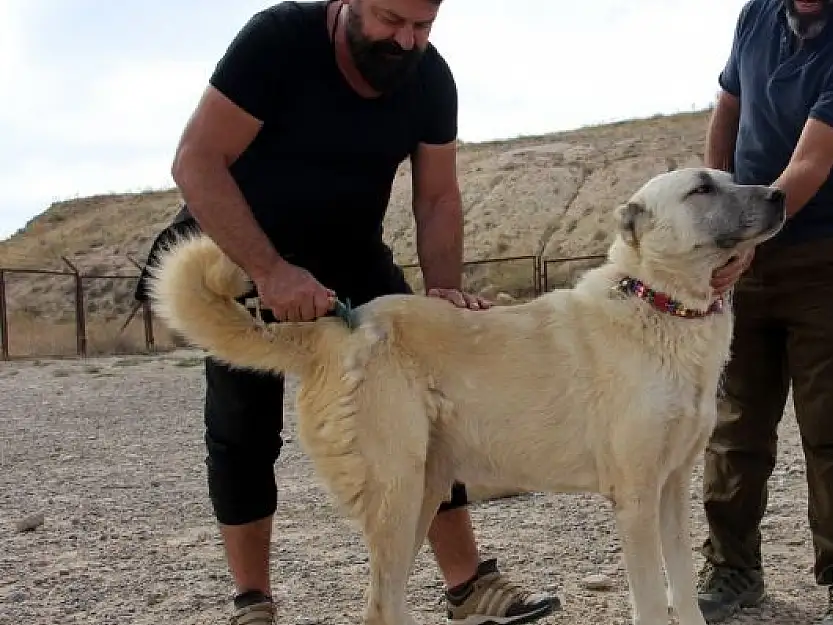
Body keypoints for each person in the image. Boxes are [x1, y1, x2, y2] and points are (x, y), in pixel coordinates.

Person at [134, 1, 563, 624]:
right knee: (242, 429)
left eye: (424, 26)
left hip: (350, 252)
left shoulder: (430, 76)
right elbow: (196, 161)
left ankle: (469, 586)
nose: (408, 40)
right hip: (240, 246)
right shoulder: (278, 40)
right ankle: (253, 601)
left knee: (428, 405)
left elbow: (438, 196)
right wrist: (270, 271)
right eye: (393, 21)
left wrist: (443, 290)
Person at [694, 1, 833, 624]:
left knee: (831, 419)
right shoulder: (756, 16)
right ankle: (732, 568)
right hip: (749, 249)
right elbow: (729, 104)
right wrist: (718, 206)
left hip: (825, 253)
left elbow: (811, 161)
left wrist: (745, 237)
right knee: (736, 421)